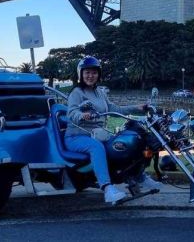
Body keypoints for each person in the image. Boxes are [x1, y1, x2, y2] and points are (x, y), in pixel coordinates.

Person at [65, 56, 160, 204]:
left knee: (123, 144)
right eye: (87, 72)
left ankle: (138, 176)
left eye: (94, 73)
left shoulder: (99, 92)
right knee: (96, 148)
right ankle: (107, 189)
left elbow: (114, 108)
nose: (91, 76)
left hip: (98, 134)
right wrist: (83, 115)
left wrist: (137, 107)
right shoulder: (77, 92)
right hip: (77, 136)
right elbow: (71, 114)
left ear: (99, 74)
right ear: (81, 74)